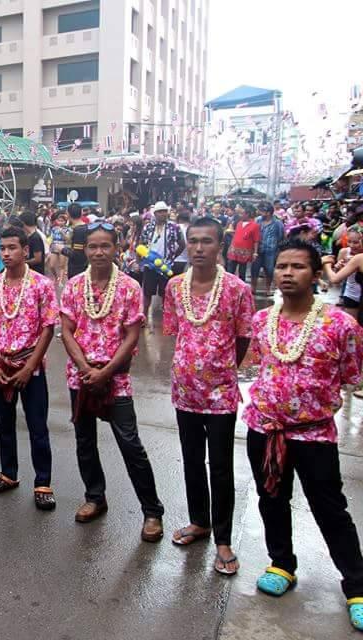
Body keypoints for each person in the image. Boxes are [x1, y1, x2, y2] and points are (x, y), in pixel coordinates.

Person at [245, 240, 363, 633]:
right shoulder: (262, 320)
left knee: (330, 507)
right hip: (265, 430)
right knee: (271, 498)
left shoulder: (341, 325)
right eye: (282, 266)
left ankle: (357, 587)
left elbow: (351, 374)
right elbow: (262, 364)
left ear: (315, 275)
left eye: (297, 267)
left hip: (314, 436)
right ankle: (282, 564)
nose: (287, 273)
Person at [60, 223, 165, 541]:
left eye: (105, 246)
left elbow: (132, 335)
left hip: (115, 376)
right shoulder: (74, 286)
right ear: (85, 250)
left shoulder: (130, 287)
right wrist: (85, 367)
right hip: (81, 377)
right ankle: (95, 497)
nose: (98, 252)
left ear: (117, 248)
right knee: (84, 441)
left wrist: (105, 372)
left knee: (130, 444)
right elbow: (66, 330)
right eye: (92, 246)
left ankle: (152, 512)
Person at [162, 217, 254, 575]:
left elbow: (243, 337)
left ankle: (224, 539)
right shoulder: (174, 287)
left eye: (207, 241)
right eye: (194, 241)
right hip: (185, 390)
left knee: (220, 465)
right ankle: (199, 521)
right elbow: (176, 332)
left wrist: (222, 368)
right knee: (191, 459)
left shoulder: (237, 289)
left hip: (221, 393)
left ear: (220, 246)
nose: (199, 248)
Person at [0, 226, 59, 510]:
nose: (6, 253)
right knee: (4, 424)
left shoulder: (41, 284)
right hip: (2, 365)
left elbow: (48, 328)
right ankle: (8, 474)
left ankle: (43, 483)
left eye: (12, 248)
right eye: (2, 248)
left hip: (31, 368)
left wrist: (30, 367)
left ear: (25, 250)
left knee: (37, 426)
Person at [139, 202, 185, 324]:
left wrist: (172, 257)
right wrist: (141, 260)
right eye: (160, 212)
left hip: (166, 266)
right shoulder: (148, 227)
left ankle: (167, 319)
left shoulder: (174, 227)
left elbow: (182, 244)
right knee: (147, 293)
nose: (163, 214)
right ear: (155, 214)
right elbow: (141, 244)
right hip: (150, 265)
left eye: (164, 211)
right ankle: (143, 317)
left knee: (166, 293)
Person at [254, 202, 285, 297]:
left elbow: (281, 237)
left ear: (268, 212)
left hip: (271, 251)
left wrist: (278, 250)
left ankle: (268, 289)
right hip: (258, 249)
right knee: (254, 269)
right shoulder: (257, 220)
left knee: (269, 270)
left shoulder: (278, 223)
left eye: (261, 211)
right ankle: (253, 288)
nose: (259, 212)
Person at [226, 203, 260, 282]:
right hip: (234, 250)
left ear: (247, 214)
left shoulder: (255, 225)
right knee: (230, 270)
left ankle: (241, 286)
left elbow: (256, 240)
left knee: (242, 271)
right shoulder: (239, 223)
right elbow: (236, 234)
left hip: (244, 252)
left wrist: (255, 253)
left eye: (242, 214)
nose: (240, 215)